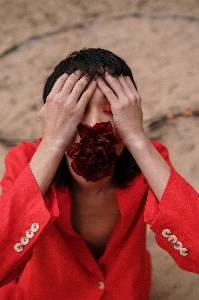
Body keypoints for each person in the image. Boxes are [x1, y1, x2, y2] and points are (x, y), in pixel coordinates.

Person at [0, 48, 199, 300]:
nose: (94, 124)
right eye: (77, 110)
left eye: (109, 110)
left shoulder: (148, 160)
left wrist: (137, 139)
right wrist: (51, 144)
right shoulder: (25, 161)